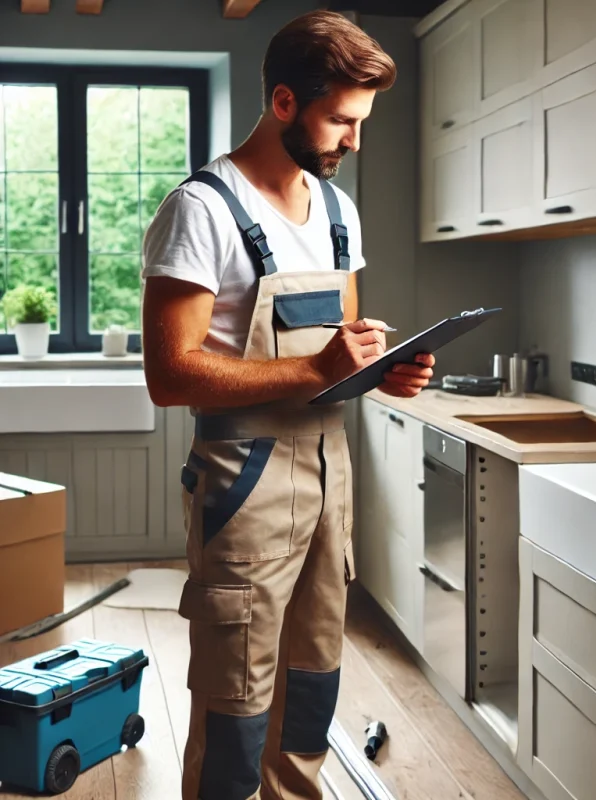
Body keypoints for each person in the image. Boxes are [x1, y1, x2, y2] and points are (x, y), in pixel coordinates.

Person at [139, 11, 435, 800]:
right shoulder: (199, 210)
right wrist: (315, 368)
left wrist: (381, 369)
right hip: (245, 489)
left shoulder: (341, 213)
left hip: (330, 477)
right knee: (236, 709)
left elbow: (339, 352)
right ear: (281, 102)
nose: (354, 141)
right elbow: (169, 375)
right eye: (341, 120)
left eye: (361, 122)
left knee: (310, 692)